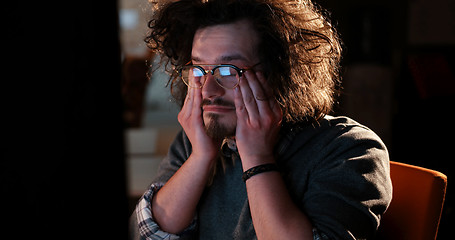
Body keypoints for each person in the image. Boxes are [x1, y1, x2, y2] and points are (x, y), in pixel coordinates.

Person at [130, 0, 392, 239]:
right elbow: (143, 234)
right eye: (200, 69)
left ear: (280, 73)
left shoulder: (349, 149)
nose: (208, 90)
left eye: (226, 70)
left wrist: (257, 157)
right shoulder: (196, 140)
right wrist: (200, 158)